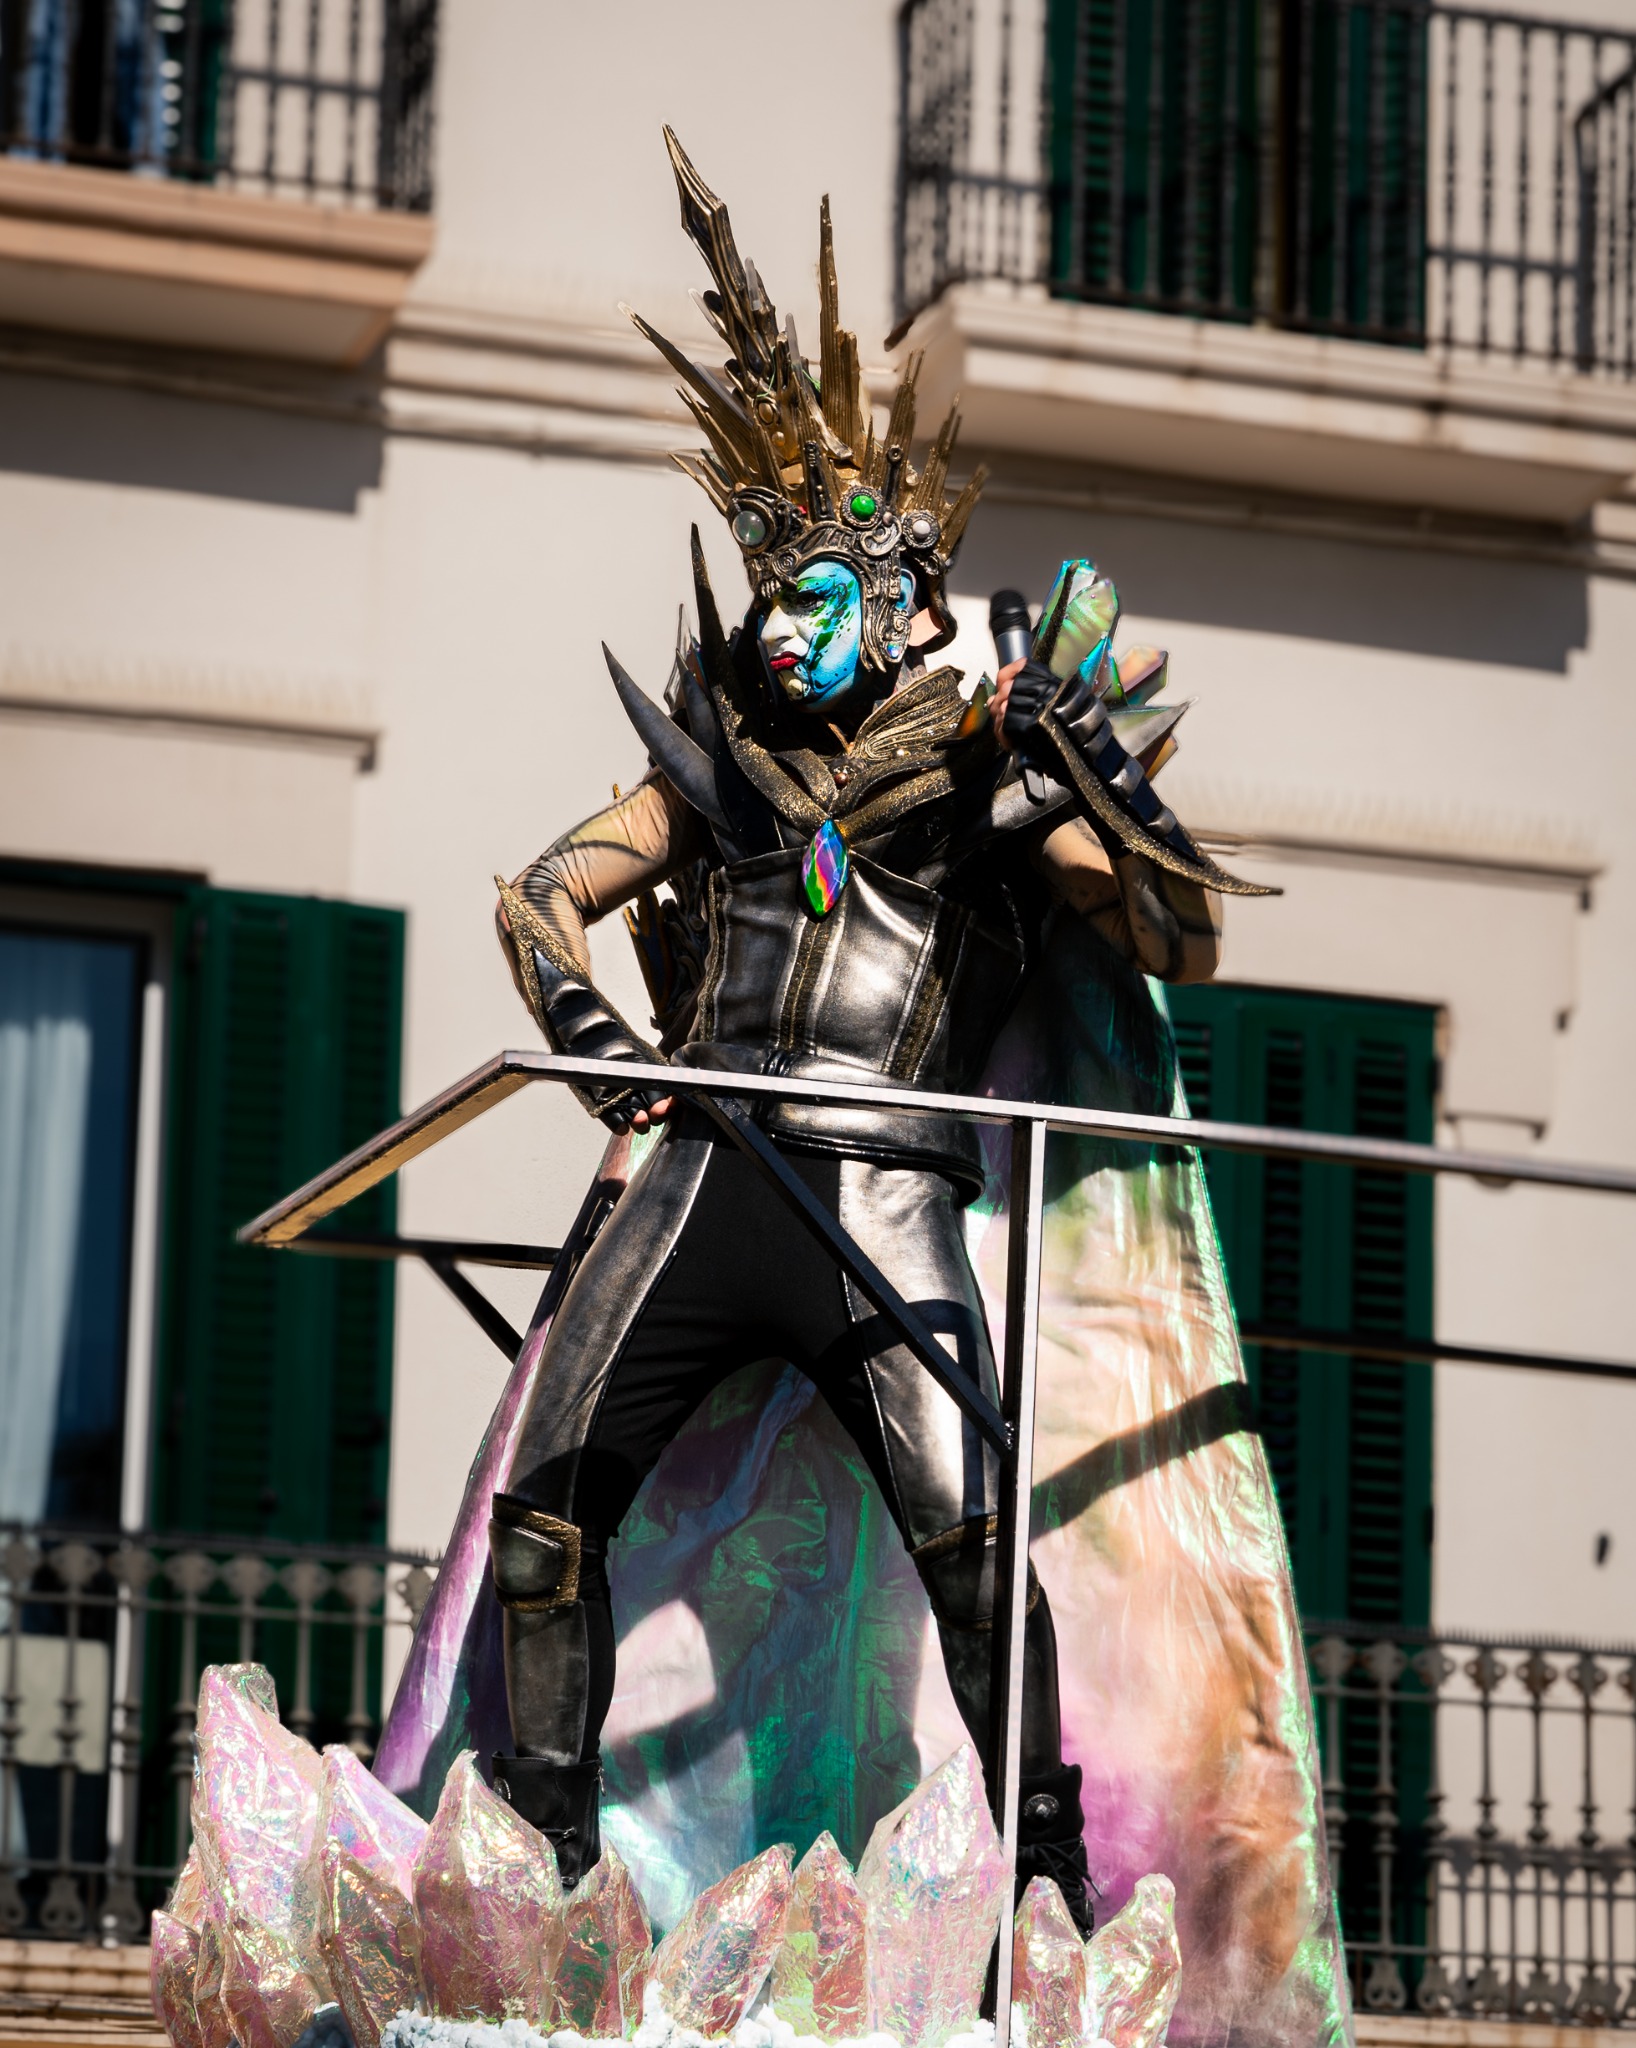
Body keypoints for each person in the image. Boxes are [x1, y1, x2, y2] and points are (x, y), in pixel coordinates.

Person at [485, 129, 1264, 1931]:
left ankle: (1052, 1895)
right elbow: (534, 896)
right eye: (770, 589)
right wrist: (602, 1045)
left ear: (903, 598)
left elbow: (1185, 936)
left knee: (978, 1551)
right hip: (690, 1170)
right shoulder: (713, 771)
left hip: (883, 1198)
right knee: (547, 1518)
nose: (780, 619)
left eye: (818, 589)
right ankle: (540, 1878)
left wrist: (1091, 776)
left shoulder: (993, 771)